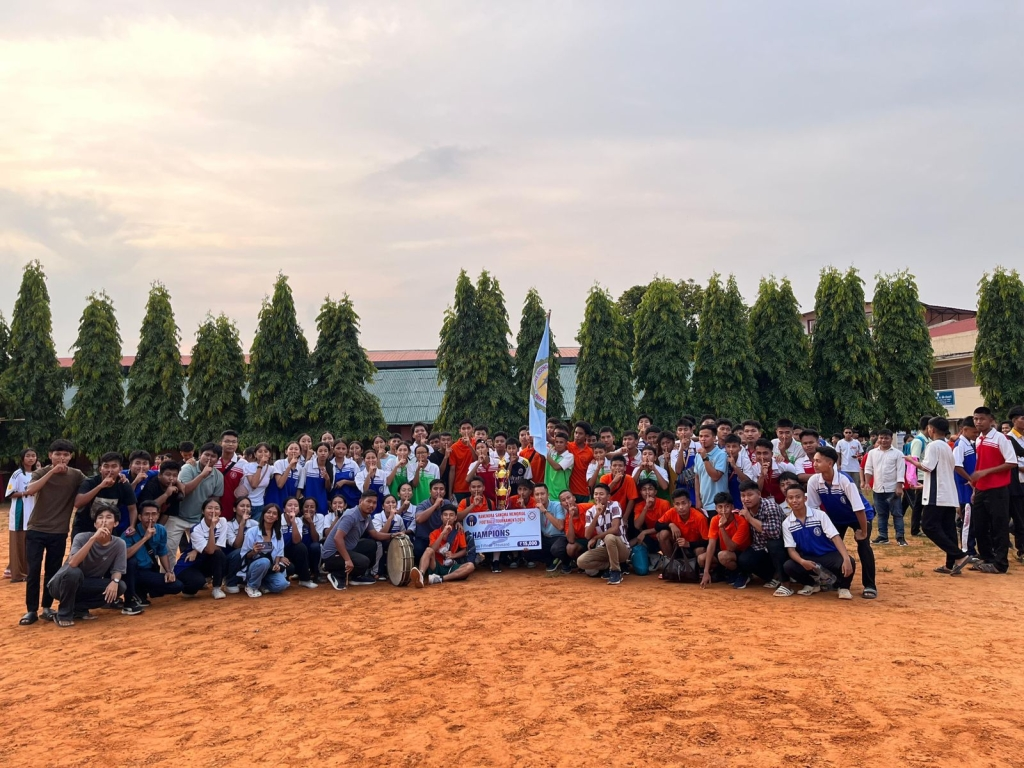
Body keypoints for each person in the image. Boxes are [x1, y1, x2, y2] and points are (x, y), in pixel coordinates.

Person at [20, 439, 87, 626]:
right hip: (36, 529)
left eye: (66, 454)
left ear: (70, 457)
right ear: (50, 455)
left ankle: (47, 607)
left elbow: (91, 485)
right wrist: (52, 471)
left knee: (53, 571)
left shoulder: (76, 475)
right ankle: (31, 610)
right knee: (34, 571)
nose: (61, 458)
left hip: (59, 531)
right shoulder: (41, 472)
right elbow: (30, 490)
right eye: (57, 454)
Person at [806, 446, 877, 599]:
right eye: (814, 461)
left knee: (864, 546)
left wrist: (863, 532)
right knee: (831, 547)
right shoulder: (814, 481)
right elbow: (814, 509)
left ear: (830, 463)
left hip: (859, 516)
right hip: (836, 518)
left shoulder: (845, 480)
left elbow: (859, 509)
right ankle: (836, 580)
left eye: (818, 461)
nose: (814, 464)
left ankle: (870, 585)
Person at [46, 500, 128, 627]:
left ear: (116, 523)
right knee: (74, 572)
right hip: (61, 584)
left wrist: (115, 582)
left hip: (87, 584)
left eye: (108, 517)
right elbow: (73, 563)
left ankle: (79, 608)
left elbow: (118, 570)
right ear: (95, 524)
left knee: (120, 586)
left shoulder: (119, 544)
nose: (104, 521)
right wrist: (93, 539)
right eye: (100, 518)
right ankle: (63, 614)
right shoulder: (81, 537)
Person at [905, 417, 971, 575]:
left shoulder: (933, 445)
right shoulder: (947, 446)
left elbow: (927, 467)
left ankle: (959, 556)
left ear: (931, 429)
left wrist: (912, 461)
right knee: (948, 529)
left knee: (928, 526)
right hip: (947, 492)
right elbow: (941, 471)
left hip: (937, 494)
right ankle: (951, 564)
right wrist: (924, 485)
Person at [777, 486, 856, 599]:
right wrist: (802, 561)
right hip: (808, 557)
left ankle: (844, 588)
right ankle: (812, 584)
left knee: (849, 561)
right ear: (787, 500)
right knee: (788, 566)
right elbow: (791, 549)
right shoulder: (787, 523)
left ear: (805, 498)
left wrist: (846, 558)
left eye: (798, 497)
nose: (794, 500)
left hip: (827, 555)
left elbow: (835, 537)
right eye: (791, 498)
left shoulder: (820, 515)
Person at [968, 406, 1016, 574]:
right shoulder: (979, 439)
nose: (978, 422)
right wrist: (975, 488)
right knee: (980, 526)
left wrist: (986, 472)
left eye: (981, 419)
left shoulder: (1001, 438)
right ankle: (987, 558)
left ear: (991, 420)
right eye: (975, 419)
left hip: (998, 489)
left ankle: (1000, 564)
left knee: (999, 526)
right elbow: (980, 463)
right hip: (981, 488)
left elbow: (1012, 462)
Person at [169, 443, 224, 562]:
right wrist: (202, 475)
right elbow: (184, 491)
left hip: (198, 520)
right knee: (169, 550)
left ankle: (190, 571)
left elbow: (214, 501)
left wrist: (207, 519)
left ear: (218, 459)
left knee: (199, 551)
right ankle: (167, 572)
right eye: (206, 454)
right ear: (200, 455)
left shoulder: (218, 476)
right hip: (177, 517)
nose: (209, 458)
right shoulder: (188, 468)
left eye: (213, 456)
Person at [122, 500, 182, 610]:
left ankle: (143, 592)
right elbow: (124, 556)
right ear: (140, 517)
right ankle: (133, 595)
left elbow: (162, 552)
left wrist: (168, 571)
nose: (150, 518)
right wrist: (145, 538)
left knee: (176, 586)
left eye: (154, 514)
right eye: (146, 514)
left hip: (149, 571)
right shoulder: (130, 532)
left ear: (158, 516)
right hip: (132, 573)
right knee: (131, 563)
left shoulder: (161, 530)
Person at [71, 452, 138, 538]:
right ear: (100, 469)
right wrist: (100, 486)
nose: (110, 470)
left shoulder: (123, 485)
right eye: (106, 466)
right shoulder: (90, 482)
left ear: (120, 469)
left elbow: (132, 508)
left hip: (108, 528)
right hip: (83, 527)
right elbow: (78, 503)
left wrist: (132, 525)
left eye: (114, 466)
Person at [321, 491, 380, 589]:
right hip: (332, 555)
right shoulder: (351, 515)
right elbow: (337, 538)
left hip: (346, 549)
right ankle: (337, 575)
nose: (371, 505)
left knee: (371, 545)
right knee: (363, 561)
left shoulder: (367, 516)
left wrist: (393, 535)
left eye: (374, 502)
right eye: (369, 501)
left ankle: (356, 577)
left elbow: (375, 534)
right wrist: (348, 560)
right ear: (360, 501)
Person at [735, 481, 786, 589]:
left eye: (750, 495)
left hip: (780, 546)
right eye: (743, 496)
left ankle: (783, 578)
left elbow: (775, 533)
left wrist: (749, 518)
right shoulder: (745, 509)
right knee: (744, 560)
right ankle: (771, 577)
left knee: (774, 545)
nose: (746, 499)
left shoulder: (771, 507)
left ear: (759, 494)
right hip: (759, 546)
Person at [576, 483, 630, 585]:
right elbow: (587, 535)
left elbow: (615, 529)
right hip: (605, 548)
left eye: (601, 494)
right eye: (596, 494)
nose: (598, 497)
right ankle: (613, 565)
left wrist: (596, 537)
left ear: (608, 496)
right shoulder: (590, 512)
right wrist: (597, 514)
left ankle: (615, 571)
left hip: (622, 548)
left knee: (609, 537)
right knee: (581, 562)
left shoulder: (615, 505)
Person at [410, 505, 475, 586]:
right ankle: (421, 575)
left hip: (451, 565)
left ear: (455, 518)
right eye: (445, 515)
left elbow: (464, 551)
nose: (448, 517)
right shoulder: (434, 533)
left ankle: (441, 578)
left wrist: (453, 555)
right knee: (428, 550)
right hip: (436, 565)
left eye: (451, 515)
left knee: (470, 566)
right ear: (441, 517)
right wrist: (442, 534)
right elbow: (432, 549)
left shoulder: (459, 532)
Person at [178, 497, 230, 599]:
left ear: (220, 512)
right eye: (209, 508)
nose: (213, 511)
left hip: (205, 560)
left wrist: (197, 550)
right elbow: (210, 550)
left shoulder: (223, 521)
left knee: (219, 555)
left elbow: (218, 547)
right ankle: (188, 583)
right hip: (190, 563)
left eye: (216, 508)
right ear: (203, 511)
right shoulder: (196, 529)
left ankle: (216, 588)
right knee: (192, 589)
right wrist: (212, 528)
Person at [863, 429, 907, 546]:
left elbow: (900, 471)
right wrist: (867, 483)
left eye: (886, 438)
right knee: (881, 514)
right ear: (878, 439)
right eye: (881, 438)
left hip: (892, 489)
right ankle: (883, 536)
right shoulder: (872, 453)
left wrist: (899, 486)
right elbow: (868, 468)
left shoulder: (898, 454)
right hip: (878, 488)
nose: (883, 440)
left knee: (897, 514)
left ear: (891, 439)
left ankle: (900, 537)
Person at [699, 492, 752, 589]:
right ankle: (724, 572)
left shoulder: (741, 522)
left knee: (723, 556)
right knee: (701, 558)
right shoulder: (715, 519)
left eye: (727, 506)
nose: (723, 510)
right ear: (716, 508)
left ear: (732, 507)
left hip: (741, 553)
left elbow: (731, 548)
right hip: (725, 551)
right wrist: (706, 571)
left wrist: (722, 528)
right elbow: (711, 545)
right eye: (720, 507)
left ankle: (742, 573)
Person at [238, 503, 290, 598]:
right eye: (268, 512)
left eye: (274, 513)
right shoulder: (252, 531)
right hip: (253, 568)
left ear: (277, 518)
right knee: (264, 561)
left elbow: (279, 554)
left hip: (270, 570)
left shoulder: (278, 533)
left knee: (282, 584)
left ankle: (261, 584)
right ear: (263, 514)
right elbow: (244, 555)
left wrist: (277, 564)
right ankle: (251, 586)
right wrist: (253, 552)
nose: (271, 515)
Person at [5, 447, 37, 584]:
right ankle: (17, 573)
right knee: (18, 544)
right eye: (28, 456)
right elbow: (10, 494)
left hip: (34, 514)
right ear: (22, 458)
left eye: (33, 456)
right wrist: (25, 493)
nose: (31, 458)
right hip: (21, 513)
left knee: (30, 545)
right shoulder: (17, 474)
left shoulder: (37, 474)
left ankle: (25, 571)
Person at [655, 489, 709, 567]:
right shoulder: (672, 512)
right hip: (677, 546)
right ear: (674, 505)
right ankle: (671, 564)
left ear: (689, 503)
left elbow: (707, 541)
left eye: (684, 503)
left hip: (693, 547)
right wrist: (670, 525)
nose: (681, 507)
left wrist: (688, 544)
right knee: (662, 534)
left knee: (701, 550)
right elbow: (657, 525)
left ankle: (697, 569)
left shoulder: (699, 517)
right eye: (677, 504)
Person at [279, 497, 320, 589]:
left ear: (299, 509)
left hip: (290, 550)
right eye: (290, 505)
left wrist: (293, 522)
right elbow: (274, 543)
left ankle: (304, 580)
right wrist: (280, 557)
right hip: (278, 553)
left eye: (296, 506)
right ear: (284, 509)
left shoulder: (298, 521)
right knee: (289, 569)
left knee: (301, 547)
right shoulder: (277, 520)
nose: (293, 508)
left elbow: (296, 541)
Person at [953, 417, 979, 556]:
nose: (976, 434)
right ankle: (967, 551)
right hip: (965, 489)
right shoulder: (960, 445)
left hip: (971, 488)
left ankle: (972, 549)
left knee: (973, 521)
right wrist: (970, 479)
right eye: (974, 432)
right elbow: (957, 466)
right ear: (965, 429)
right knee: (967, 522)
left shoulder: (970, 443)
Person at [531, 484, 567, 572]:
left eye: (542, 494)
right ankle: (551, 560)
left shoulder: (557, 506)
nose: (540, 497)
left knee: (556, 549)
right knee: (528, 552)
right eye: (537, 494)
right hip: (545, 538)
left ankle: (566, 562)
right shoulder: (534, 509)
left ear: (548, 495)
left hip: (559, 537)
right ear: (534, 496)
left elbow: (560, 526)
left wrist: (544, 511)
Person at [694, 424, 728, 512]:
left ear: (714, 438)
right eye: (701, 436)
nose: (703, 439)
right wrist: (697, 499)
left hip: (718, 505)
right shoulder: (698, 455)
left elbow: (715, 477)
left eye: (706, 436)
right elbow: (697, 477)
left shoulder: (721, 454)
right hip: (703, 504)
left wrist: (705, 458)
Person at [413, 479, 449, 563]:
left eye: (441, 489)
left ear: (444, 492)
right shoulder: (423, 505)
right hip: (424, 538)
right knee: (418, 551)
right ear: (430, 491)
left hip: (441, 537)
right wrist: (435, 505)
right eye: (435, 489)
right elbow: (418, 519)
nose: (438, 492)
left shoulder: (447, 503)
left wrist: (457, 522)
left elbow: (455, 516)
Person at [138, 460, 183, 524]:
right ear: (159, 475)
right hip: (142, 522)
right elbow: (147, 508)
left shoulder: (175, 489)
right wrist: (166, 494)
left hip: (158, 522)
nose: (171, 478)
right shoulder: (151, 485)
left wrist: (158, 528)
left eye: (175, 475)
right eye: (168, 475)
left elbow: (167, 513)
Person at [632, 479, 671, 554]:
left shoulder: (664, 504)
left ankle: (670, 559)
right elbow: (637, 525)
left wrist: (645, 532)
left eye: (650, 489)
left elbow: (666, 525)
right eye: (644, 490)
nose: (647, 492)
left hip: (663, 533)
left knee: (662, 534)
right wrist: (646, 507)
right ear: (640, 492)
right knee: (634, 541)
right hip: (650, 536)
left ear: (655, 492)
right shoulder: (639, 506)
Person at [1006, 405, 1024, 564]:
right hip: (1017, 483)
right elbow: (1015, 463)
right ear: (1014, 420)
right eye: (1022, 419)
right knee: (1019, 517)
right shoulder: (1009, 439)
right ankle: (1021, 550)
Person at [599, 456, 639, 525]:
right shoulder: (604, 478)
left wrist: (625, 518)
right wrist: (614, 482)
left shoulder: (629, 479)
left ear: (625, 468)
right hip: (606, 511)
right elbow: (602, 494)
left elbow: (632, 500)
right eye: (614, 465)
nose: (617, 468)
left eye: (620, 466)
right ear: (610, 467)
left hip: (622, 512)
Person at [215, 430, 246, 519]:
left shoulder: (243, 464)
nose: (231, 444)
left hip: (232, 508)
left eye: (234, 442)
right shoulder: (213, 460)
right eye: (227, 441)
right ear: (220, 443)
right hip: (212, 507)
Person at [268, 441, 304, 508]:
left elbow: (298, 489)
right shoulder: (279, 463)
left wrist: (295, 503)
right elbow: (280, 485)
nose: (293, 451)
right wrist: (290, 466)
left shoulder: (300, 468)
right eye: (291, 449)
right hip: (276, 500)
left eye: (296, 449)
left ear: (300, 452)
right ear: (286, 452)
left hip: (289, 504)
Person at [241, 443, 272, 519]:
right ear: (255, 454)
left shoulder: (270, 469)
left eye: (266, 451)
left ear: (269, 454)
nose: (263, 453)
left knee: (256, 526)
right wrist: (260, 465)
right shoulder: (248, 466)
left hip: (260, 505)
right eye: (260, 451)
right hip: (246, 503)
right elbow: (254, 485)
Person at [300, 442, 332, 514]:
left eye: (325, 451)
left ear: (329, 453)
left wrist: (327, 479)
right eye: (320, 451)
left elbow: (328, 489)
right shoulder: (309, 464)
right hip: (308, 498)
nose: (323, 453)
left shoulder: (331, 467)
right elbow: (302, 483)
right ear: (316, 452)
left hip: (322, 501)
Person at [449, 419, 477, 502]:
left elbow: (478, 460)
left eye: (468, 428)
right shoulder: (454, 447)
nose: (466, 431)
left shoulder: (477, 444)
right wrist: (450, 491)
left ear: (473, 429)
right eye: (463, 429)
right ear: (460, 431)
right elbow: (452, 470)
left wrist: (470, 446)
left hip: (476, 485)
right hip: (460, 487)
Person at [543, 430, 575, 501]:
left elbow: (556, 467)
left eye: (561, 442)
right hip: (548, 494)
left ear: (566, 444)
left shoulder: (569, 456)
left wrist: (545, 454)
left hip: (561, 495)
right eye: (556, 442)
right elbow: (540, 445)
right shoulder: (551, 452)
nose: (558, 444)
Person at [330, 440, 362, 510]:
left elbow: (359, 482)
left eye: (343, 448)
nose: (341, 451)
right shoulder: (329, 464)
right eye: (338, 448)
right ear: (333, 449)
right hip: (335, 501)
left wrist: (345, 482)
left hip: (352, 500)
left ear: (347, 450)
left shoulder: (352, 464)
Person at [568, 422, 595, 503]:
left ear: (586, 436)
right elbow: (552, 440)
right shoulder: (568, 446)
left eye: (580, 433)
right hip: (570, 492)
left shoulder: (590, 452)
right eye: (576, 432)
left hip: (585, 492)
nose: (577, 435)